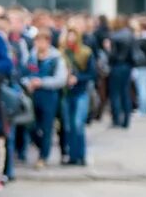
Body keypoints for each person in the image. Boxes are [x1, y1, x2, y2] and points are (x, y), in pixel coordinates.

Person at [22, 29, 68, 168]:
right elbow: (23, 74)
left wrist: (42, 82)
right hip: (33, 95)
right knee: (31, 125)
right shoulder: (31, 57)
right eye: (37, 41)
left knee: (47, 127)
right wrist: (28, 83)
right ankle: (41, 145)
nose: (39, 44)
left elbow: (61, 79)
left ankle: (43, 156)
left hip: (50, 96)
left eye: (42, 41)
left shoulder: (56, 58)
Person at [60, 27, 95, 166]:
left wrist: (78, 78)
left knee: (78, 124)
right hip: (66, 93)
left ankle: (81, 155)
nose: (70, 39)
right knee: (68, 126)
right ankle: (72, 155)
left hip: (81, 92)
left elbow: (92, 73)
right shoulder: (61, 53)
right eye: (68, 36)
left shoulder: (86, 53)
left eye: (73, 36)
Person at [107, 17, 139, 129]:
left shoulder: (114, 37)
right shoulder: (130, 35)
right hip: (127, 66)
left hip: (116, 66)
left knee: (115, 93)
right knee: (125, 92)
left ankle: (117, 119)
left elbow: (112, 54)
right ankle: (126, 119)